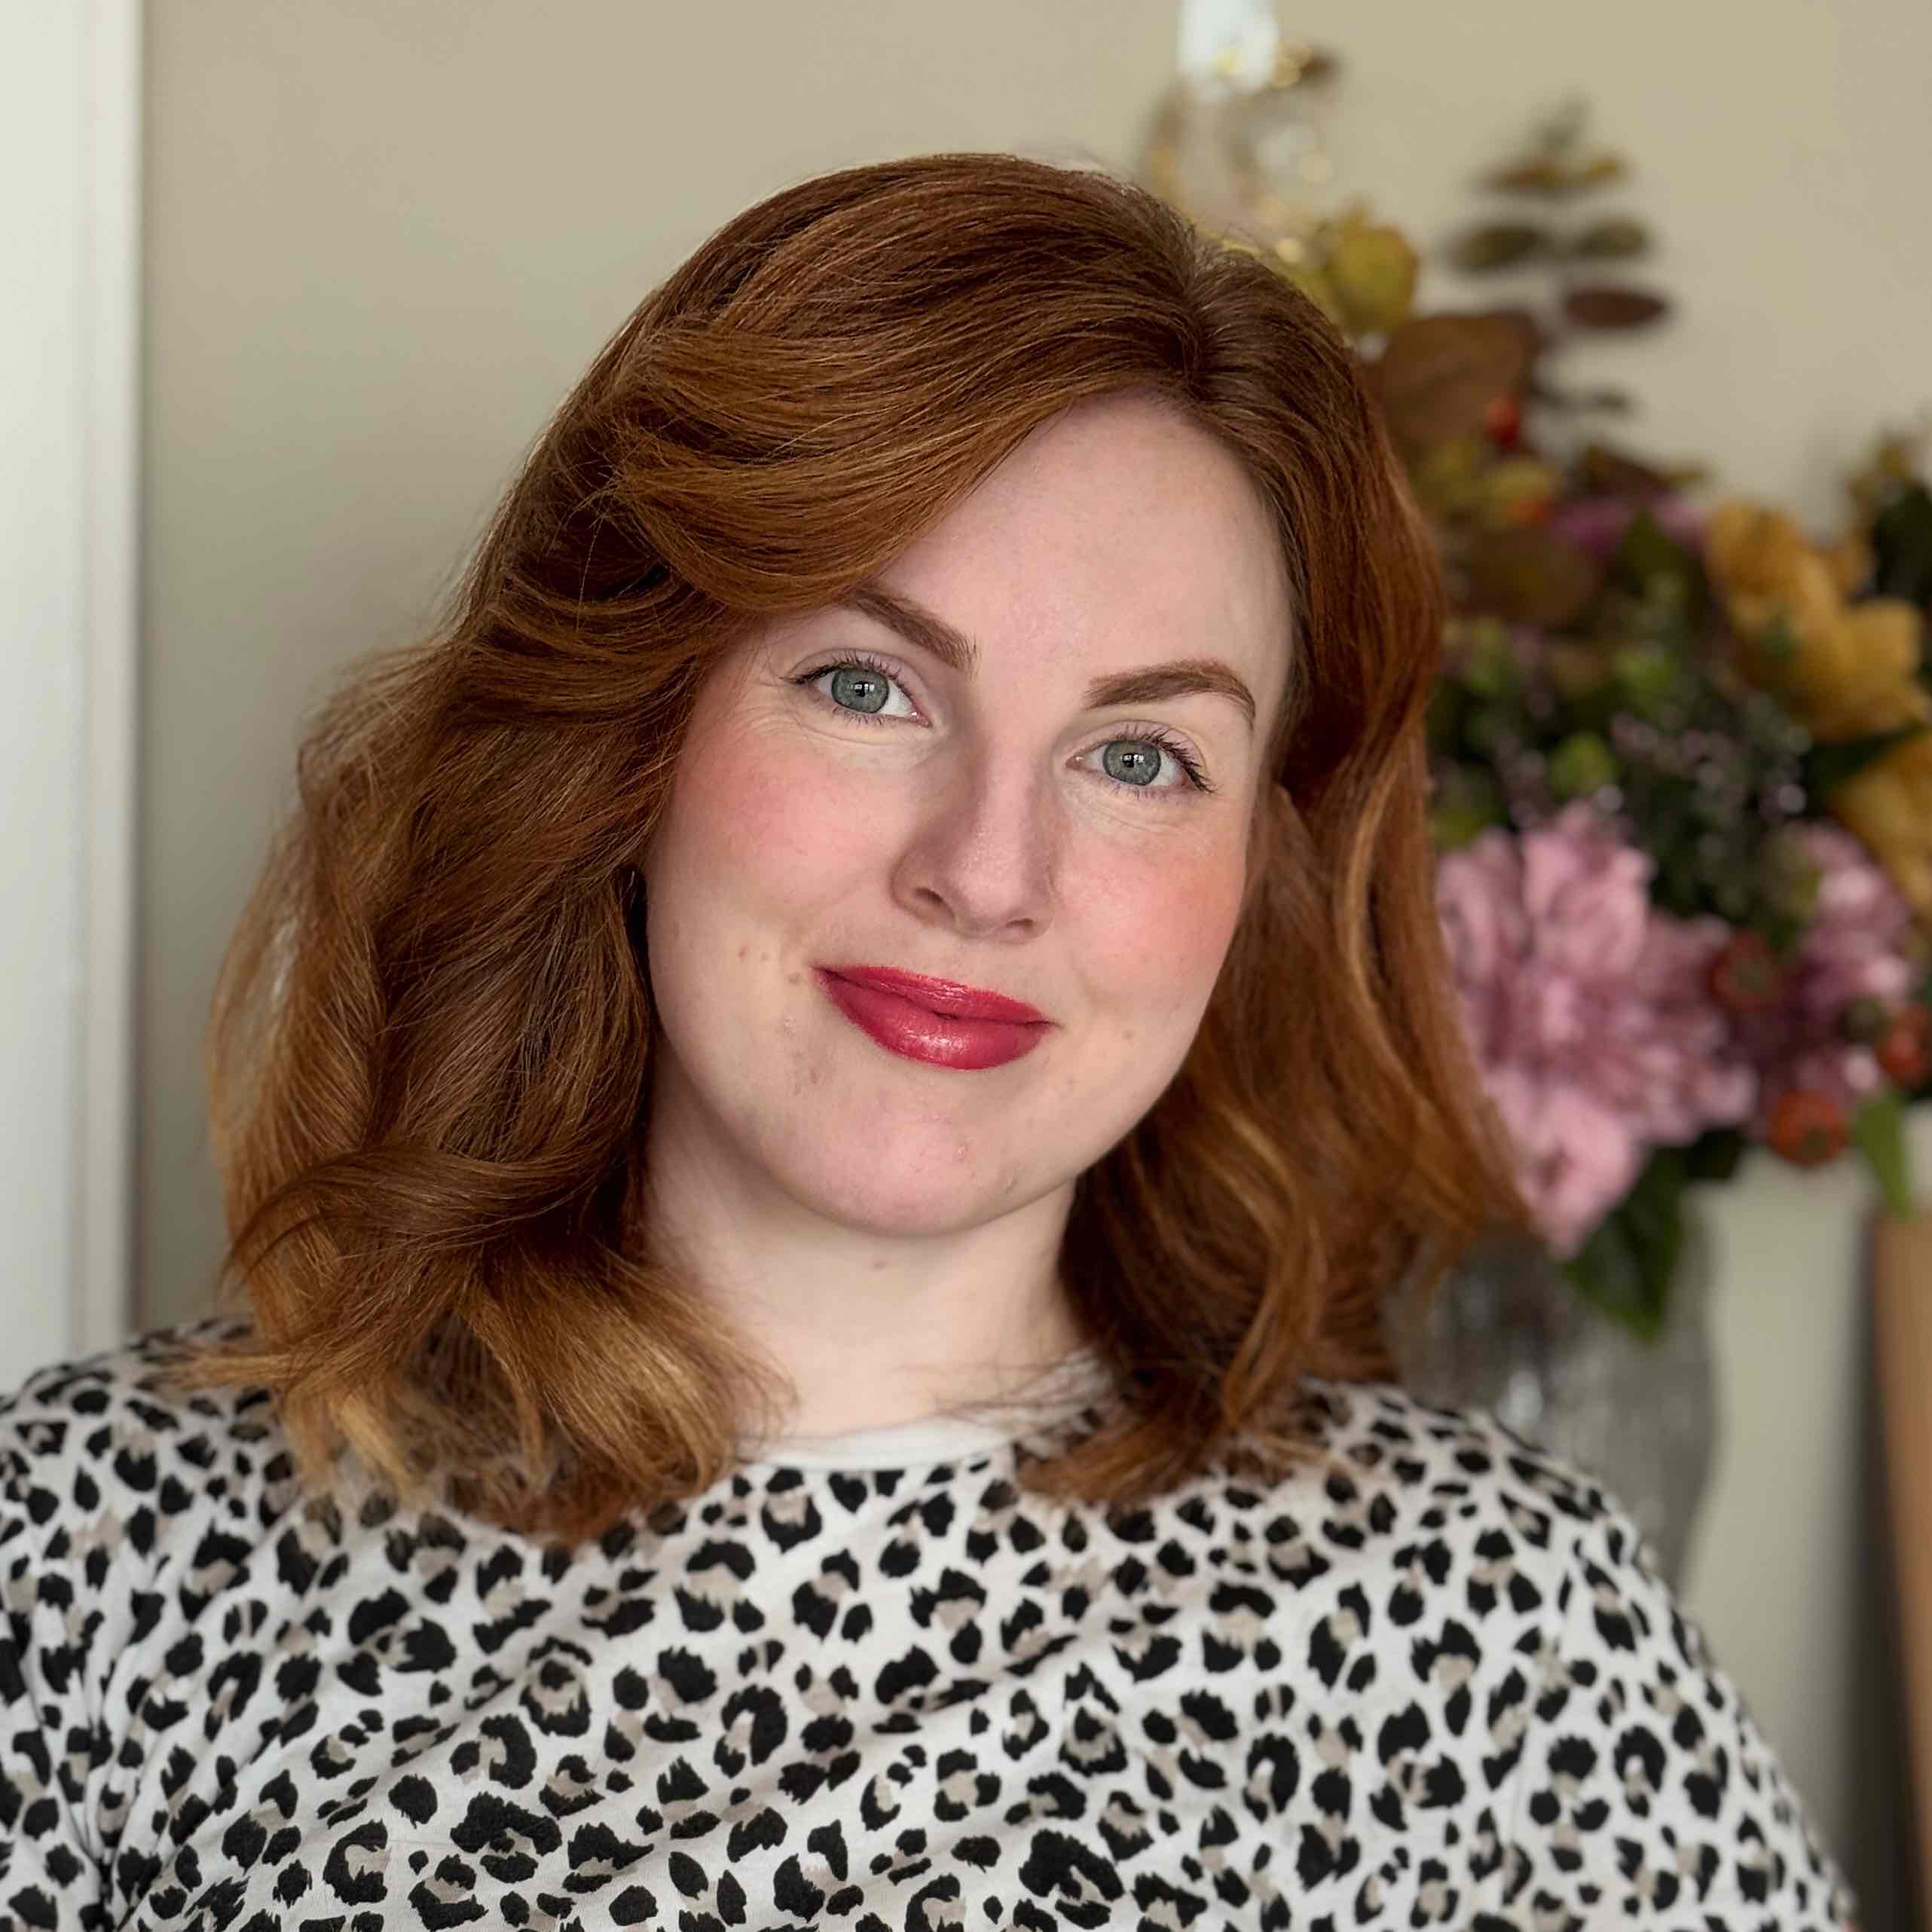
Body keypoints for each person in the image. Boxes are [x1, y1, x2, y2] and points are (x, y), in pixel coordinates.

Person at [0, 152, 1859, 1931]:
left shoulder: (1500, 1630)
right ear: (627, 738)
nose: (985, 870)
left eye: (1140, 757)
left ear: (1259, 874)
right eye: (864, 683)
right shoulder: (87, 1550)